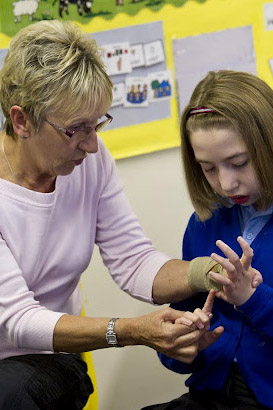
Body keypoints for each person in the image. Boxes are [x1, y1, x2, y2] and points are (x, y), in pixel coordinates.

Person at [0, 20, 243, 410]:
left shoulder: (88, 165)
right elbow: (19, 321)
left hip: (47, 363)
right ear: (22, 120)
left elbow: (133, 261)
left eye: (98, 123)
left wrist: (207, 272)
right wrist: (130, 331)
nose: (93, 145)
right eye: (77, 129)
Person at [141, 70, 273, 410]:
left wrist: (251, 298)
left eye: (238, 163)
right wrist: (184, 345)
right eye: (208, 168)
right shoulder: (203, 223)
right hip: (209, 392)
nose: (226, 184)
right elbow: (186, 323)